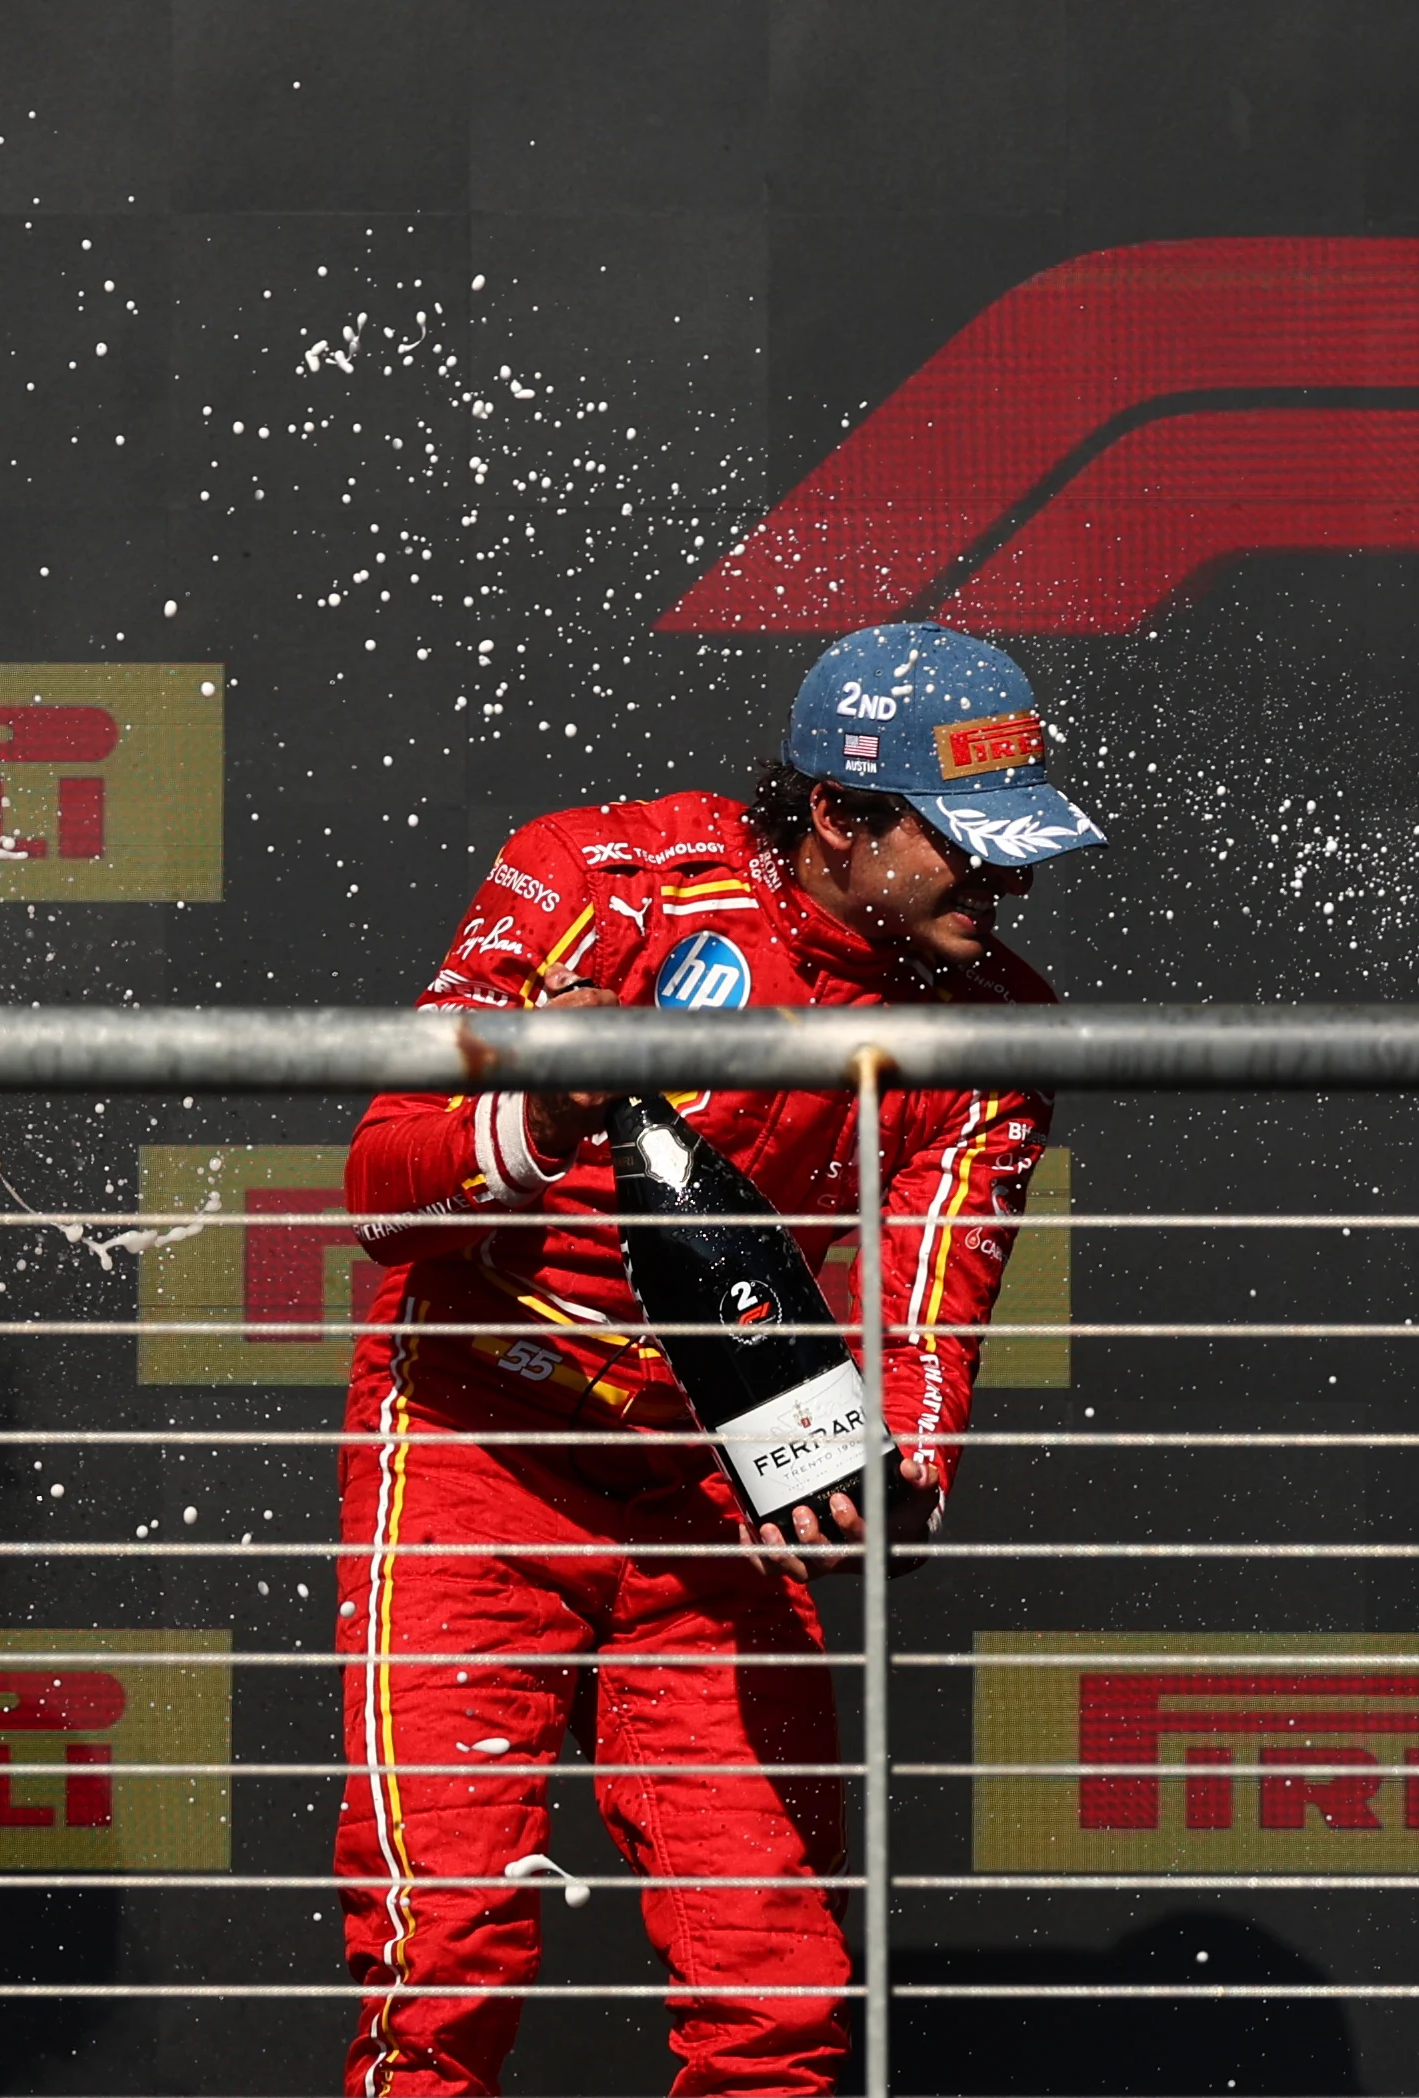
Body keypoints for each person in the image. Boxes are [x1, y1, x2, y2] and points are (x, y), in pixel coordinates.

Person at [337, 623, 1103, 2095]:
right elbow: (380, 1191)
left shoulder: (996, 1028)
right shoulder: (597, 878)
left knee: (784, 1999)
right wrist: (539, 1121)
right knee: (440, 1962)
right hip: (472, 1458)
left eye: (1021, 847)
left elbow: (927, 1308)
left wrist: (892, 1474)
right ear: (838, 814)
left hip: (711, 1489)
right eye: (969, 847)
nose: (1007, 885)